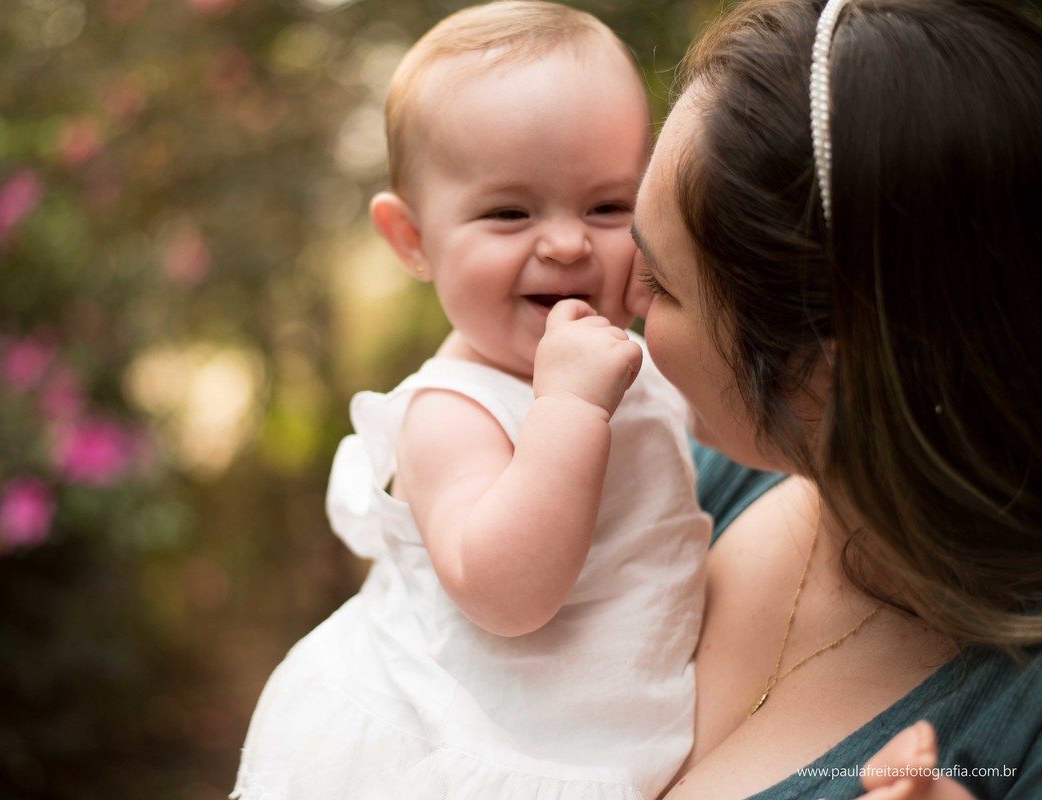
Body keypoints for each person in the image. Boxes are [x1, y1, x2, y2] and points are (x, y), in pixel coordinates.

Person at [231, 2, 710, 798]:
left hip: (614, 733)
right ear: (413, 240)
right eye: (509, 213)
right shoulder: (452, 411)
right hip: (480, 748)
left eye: (607, 206)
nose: (565, 243)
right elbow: (507, 595)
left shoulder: (638, 358)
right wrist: (568, 409)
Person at [624, 0, 1042, 798]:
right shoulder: (686, 473)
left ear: (823, 377)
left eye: (661, 287)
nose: (623, 300)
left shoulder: (1017, 728)